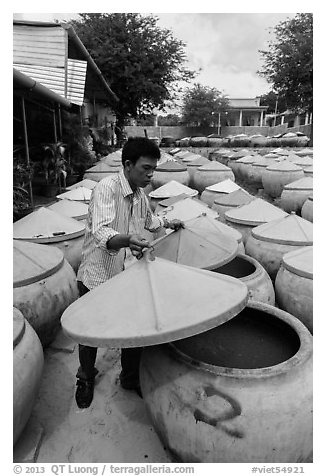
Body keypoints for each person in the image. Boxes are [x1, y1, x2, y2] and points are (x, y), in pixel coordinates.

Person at [75, 137, 184, 408]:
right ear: (127, 164)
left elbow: (149, 221)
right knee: (89, 332)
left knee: (133, 330)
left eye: (153, 169)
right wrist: (128, 240)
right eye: (145, 168)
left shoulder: (140, 195)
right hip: (98, 276)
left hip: (126, 276)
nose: (150, 174)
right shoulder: (106, 189)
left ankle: (130, 377)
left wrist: (170, 222)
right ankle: (86, 377)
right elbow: (101, 231)